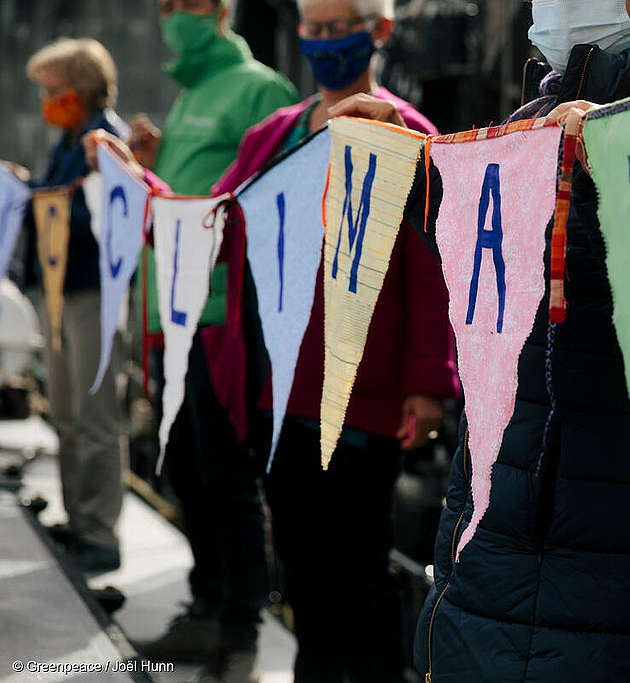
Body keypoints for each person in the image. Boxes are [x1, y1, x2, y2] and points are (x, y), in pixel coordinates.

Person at [333, 0, 630, 680]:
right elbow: (480, 245)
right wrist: (409, 161)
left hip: (612, 553)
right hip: (489, 534)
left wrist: (617, 176)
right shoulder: (531, 119)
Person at [212, 1, 458, 680]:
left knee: (359, 567)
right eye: (312, 28)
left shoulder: (408, 133)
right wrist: (145, 191)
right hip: (277, 385)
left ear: (379, 31)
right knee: (299, 560)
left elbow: (433, 268)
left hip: (363, 394)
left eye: (337, 26)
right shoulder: (273, 134)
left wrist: (428, 381)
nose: (323, 42)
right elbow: (219, 221)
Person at [128, 1, 298, 681]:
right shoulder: (196, 90)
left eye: (187, 3)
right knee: (186, 466)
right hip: (174, 311)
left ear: (222, 9)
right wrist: (149, 159)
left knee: (225, 471)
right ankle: (205, 603)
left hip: (225, 314)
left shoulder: (260, 88)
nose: (174, 15)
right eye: (166, 4)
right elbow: (181, 195)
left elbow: (264, 197)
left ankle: (238, 626)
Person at [13, 38, 129, 576]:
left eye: (55, 89)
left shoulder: (104, 141)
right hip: (62, 295)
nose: (48, 99)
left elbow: (104, 219)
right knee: (65, 413)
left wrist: (43, 201)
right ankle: (78, 518)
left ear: (82, 88)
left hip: (92, 293)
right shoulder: (69, 139)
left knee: (95, 414)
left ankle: (100, 533)